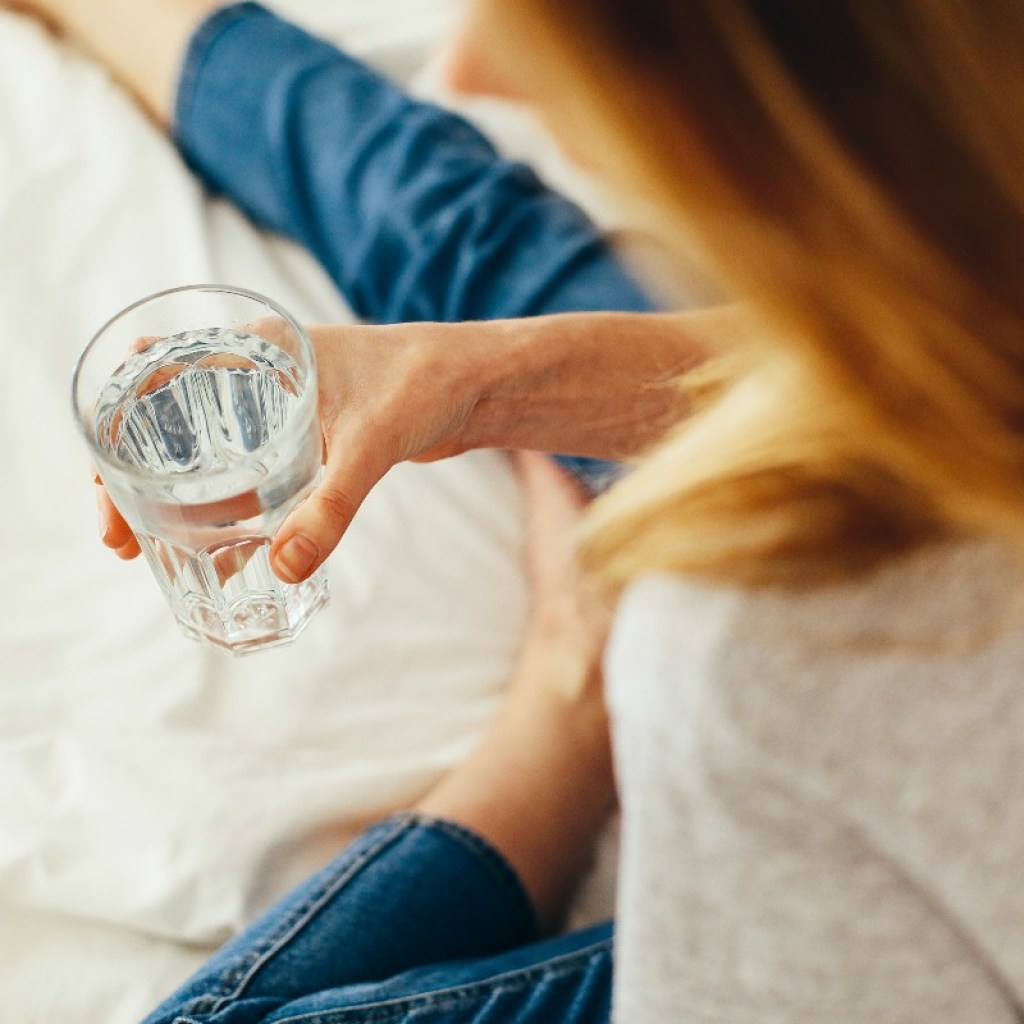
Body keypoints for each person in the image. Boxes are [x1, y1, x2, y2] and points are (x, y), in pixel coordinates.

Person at [12, 0, 1024, 1022]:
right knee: (473, 257)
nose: (467, 67)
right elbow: (933, 366)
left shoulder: (735, 661)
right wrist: (481, 378)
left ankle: (566, 694)